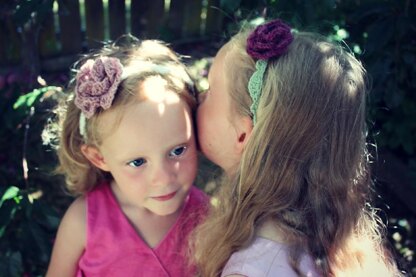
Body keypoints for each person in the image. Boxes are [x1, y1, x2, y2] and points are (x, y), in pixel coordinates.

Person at [193, 19, 402, 276]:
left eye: (211, 91)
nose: (199, 98)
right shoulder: (336, 244)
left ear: (243, 134)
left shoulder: (251, 270)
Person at [45, 35, 208, 277]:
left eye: (177, 150)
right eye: (138, 162)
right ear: (99, 158)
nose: (163, 178)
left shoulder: (208, 219)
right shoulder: (83, 222)